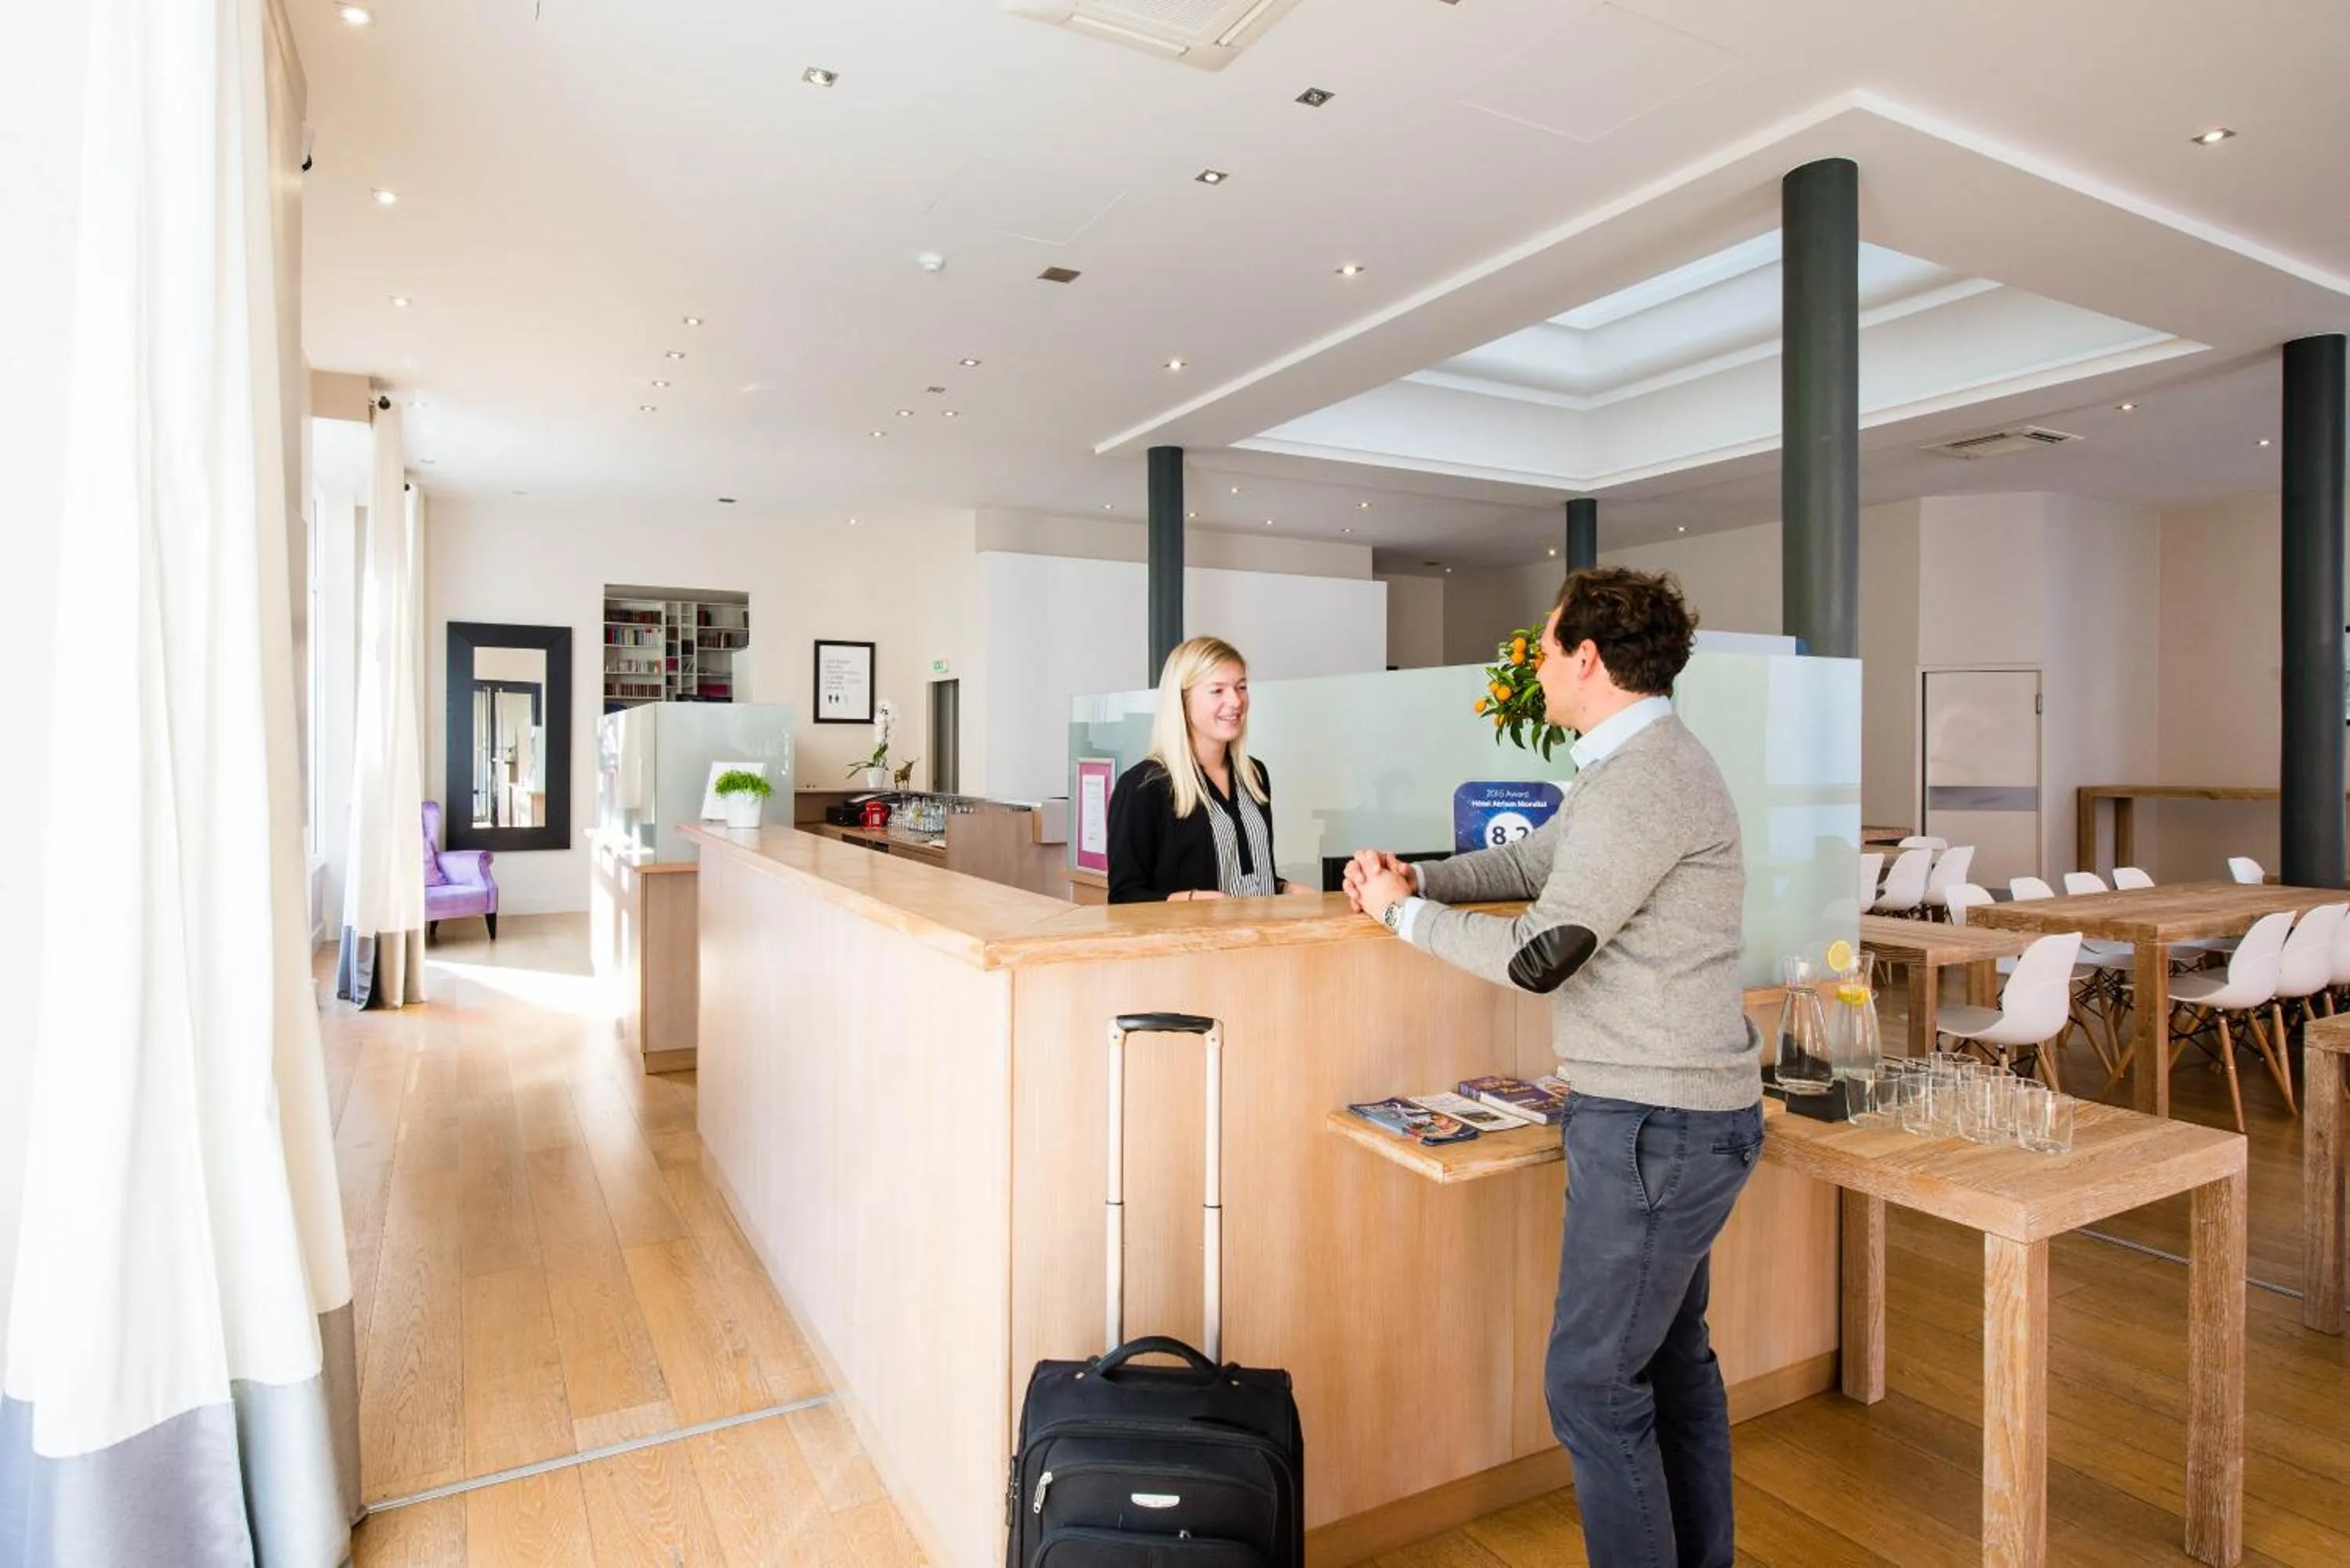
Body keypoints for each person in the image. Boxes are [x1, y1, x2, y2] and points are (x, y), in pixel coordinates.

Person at [1345, 567, 1759, 1568]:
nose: (1532, 660)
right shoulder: (1625, 765)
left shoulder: (1651, 775)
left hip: (1657, 1126)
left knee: (1591, 1384)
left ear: (1587, 658)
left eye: (1544, 643)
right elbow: (1537, 863)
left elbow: (1542, 952)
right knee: (1666, 1368)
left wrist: (1402, 916)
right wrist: (1420, 875)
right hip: (1673, 1118)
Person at [1106, 636, 1301, 904]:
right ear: (1182, 701)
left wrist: (1283, 889)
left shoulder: (1254, 775)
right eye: (1218, 690)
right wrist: (1187, 901)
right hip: (1195, 943)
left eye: (1241, 687)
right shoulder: (1143, 786)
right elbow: (1123, 898)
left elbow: (1243, 872)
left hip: (1259, 940)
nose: (1236, 701)